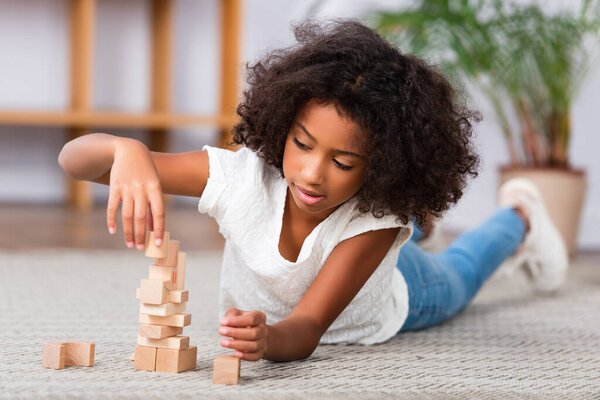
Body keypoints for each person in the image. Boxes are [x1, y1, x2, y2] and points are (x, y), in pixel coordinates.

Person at [58, 20, 568, 363]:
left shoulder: (372, 223)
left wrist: (269, 339)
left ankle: (520, 216)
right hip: (362, 223)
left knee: (460, 275)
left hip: (398, 296)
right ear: (283, 124)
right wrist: (127, 150)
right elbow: (76, 162)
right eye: (301, 144)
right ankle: (419, 225)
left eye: (343, 162)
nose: (311, 174)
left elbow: (306, 329)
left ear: (382, 166)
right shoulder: (244, 178)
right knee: (405, 227)